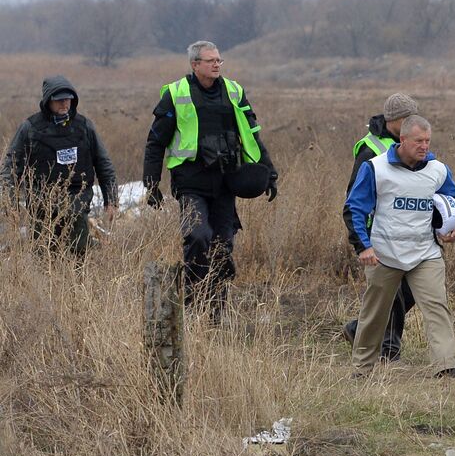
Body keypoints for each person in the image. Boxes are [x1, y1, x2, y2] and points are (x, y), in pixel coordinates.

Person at [142, 40, 278, 319]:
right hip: (190, 181)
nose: (217, 64)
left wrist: (269, 172)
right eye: (211, 61)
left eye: (219, 60)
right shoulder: (176, 93)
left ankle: (215, 312)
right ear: (195, 65)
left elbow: (252, 134)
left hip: (227, 181)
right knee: (198, 236)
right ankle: (193, 300)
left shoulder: (234, 91)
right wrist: (151, 183)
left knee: (222, 246)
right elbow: (156, 142)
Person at [344, 115, 455, 378]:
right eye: (418, 141)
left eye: (427, 141)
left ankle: (447, 367)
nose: (424, 146)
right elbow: (355, 208)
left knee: (437, 305)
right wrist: (363, 247)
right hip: (384, 254)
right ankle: (362, 368)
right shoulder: (375, 168)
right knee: (375, 314)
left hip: (425, 254)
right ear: (402, 140)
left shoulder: (437, 170)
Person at [1, 76, 119, 256]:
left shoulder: (85, 127)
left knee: (78, 257)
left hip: (77, 205)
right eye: (59, 100)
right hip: (42, 208)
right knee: (44, 258)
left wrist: (111, 200)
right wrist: (10, 205)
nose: (65, 103)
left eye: (68, 99)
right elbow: (10, 168)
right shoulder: (30, 128)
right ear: (48, 101)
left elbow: (104, 164)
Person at [342, 92, 420, 360]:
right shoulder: (370, 148)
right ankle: (388, 349)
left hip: (410, 233)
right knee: (393, 291)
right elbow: (353, 198)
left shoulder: (411, 142)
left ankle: (358, 329)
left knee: (411, 290)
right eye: (408, 118)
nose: (414, 123)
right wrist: (362, 241)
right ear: (394, 120)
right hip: (379, 232)